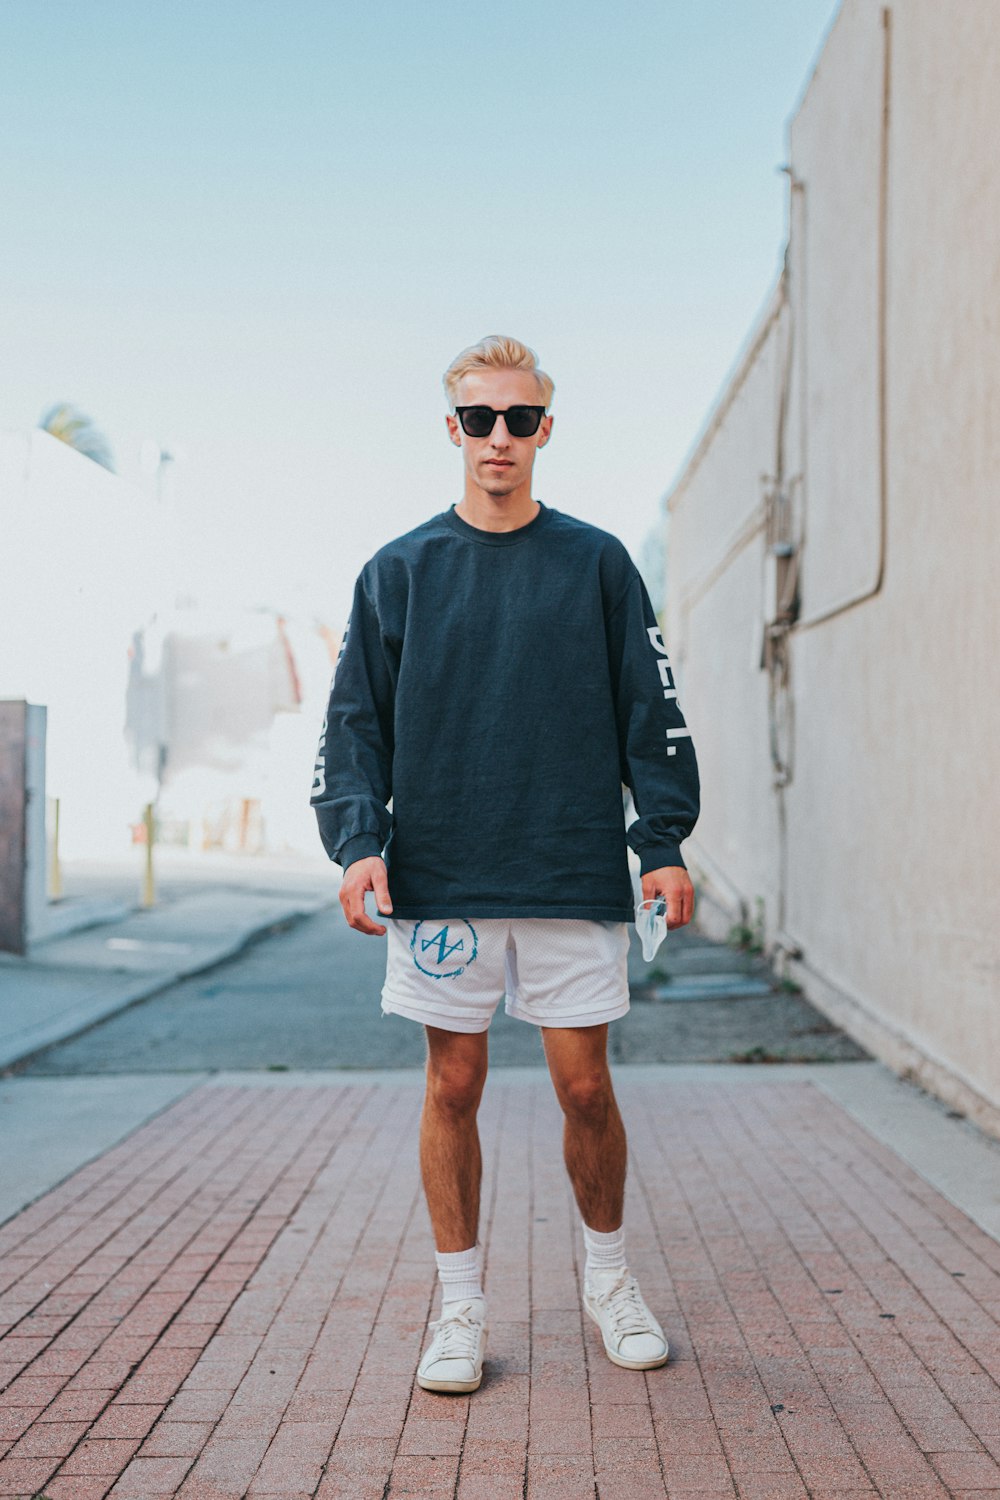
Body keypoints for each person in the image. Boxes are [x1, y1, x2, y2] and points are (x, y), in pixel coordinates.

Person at [310, 334, 700, 1394]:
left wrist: (659, 842)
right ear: (452, 429)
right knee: (456, 1080)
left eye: (517, 420)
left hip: (571, 868)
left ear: (543, 431)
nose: (498, 438)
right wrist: (357, 846)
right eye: (479, 419)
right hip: (443, 874)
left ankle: (610, 1283)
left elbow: (649, 715)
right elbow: (354, 727)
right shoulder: (398, 572)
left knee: (583, 1089)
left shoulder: (598, 564)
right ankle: (459, 1308)